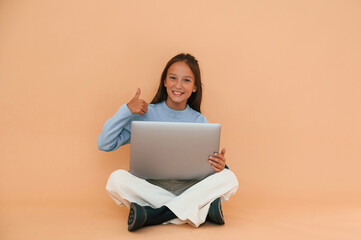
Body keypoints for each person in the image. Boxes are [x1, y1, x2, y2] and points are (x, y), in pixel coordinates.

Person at [97, 53, 238, 231]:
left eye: (186, 80)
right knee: (115, 179)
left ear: (195, 87)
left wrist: (221, 166)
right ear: (164, 81)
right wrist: (125, 110)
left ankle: (155, 214)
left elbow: (210, 166)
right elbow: (104, 143)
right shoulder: (144, 114)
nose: (178, 85)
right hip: (151, 188)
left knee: (230, 178)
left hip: (189, 188)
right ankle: (199, 211)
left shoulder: (199, 120)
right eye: (172, 78)